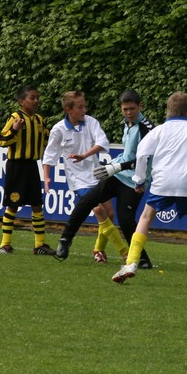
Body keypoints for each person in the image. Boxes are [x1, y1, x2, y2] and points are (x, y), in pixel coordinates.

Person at [113, 92, 187, 287]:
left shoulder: (159, 130)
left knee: (145, 218)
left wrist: (139, 180)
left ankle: (131, 263)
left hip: (162, 182)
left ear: (168, 110)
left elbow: (142, 153)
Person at [53, 90, 154, 267]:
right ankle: (65, 240)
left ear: (140, 106)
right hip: (119, 175)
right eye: (125, 109)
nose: (128, 112)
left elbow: (143, 159)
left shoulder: (147, 129)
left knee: (126, 221)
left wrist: (117, 167)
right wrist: (112, 165)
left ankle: (142, 259)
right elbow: (128, 154)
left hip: (136, 181)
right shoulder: (127, 123)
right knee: (87, 201)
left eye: (132, 109)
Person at [42, 90, 127, 261]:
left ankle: (98, 250)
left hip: (96, 174)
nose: (84, 110)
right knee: (98, 210)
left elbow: (102, 142)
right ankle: (125, 252)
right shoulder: (59, 129)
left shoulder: (91, 122)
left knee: (110, 213)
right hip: (78, 180)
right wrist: (47, 177)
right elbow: (50, 154)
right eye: (80, 107)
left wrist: (85, 155)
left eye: (84, 106)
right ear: (68, 109)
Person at [0, 85, 50, 255]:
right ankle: (5, 244)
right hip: (16, 166)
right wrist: (14, 130)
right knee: (13, 205)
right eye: (32, 98)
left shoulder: (39, 120)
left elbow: (46, 140)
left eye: (37, 98)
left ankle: (39, 245)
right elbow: (2, 140)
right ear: (22, 101)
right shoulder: (15, 117)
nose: (36, 101)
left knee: (37, 204)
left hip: (32, 166)